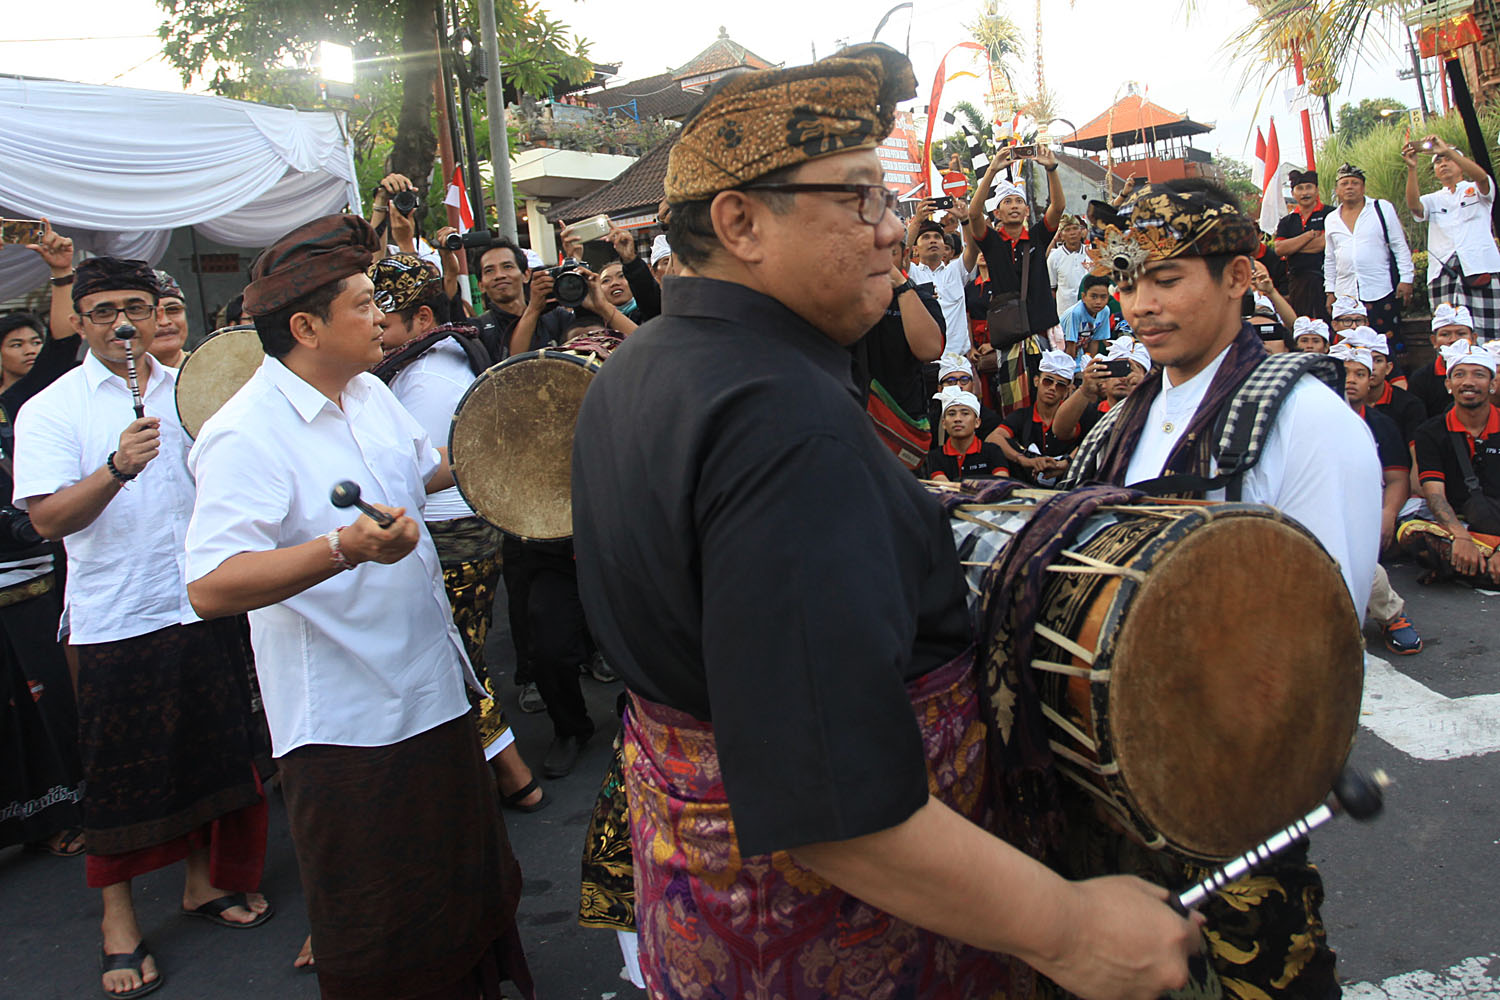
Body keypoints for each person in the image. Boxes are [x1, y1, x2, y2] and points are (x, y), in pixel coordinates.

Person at [572, 43, 1200, 1000]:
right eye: (859, 198)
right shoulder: (780, 418)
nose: (893, 231)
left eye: (891, 201)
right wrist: (1069, 929)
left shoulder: (641, 366)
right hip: (838, 939)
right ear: (740, 222)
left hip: (711, 913)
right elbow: (832, 801)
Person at [183, 215, 532, 1000]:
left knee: (461, 891)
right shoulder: (245, 432)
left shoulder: (369, 392)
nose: (382, 317)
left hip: (432, 692)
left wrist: (528, 436)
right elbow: (210, 584)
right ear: (305, 326)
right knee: (385, 927)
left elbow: (430, 470)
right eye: (365, 303)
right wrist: (342, 548)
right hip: (349, 726)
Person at [1063, 178, 1380, 999]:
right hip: (1110, 781)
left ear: (1239, 276)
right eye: (1128, 283)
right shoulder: (1115, 424)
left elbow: (1325, 632)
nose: (1140, 305)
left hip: (1234, 780)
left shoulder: (1307, 421)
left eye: (1166, 279)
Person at [13, 257, 271, 999]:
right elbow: (47, 519)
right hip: (116, 618)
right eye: (104, 311)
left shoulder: (196, 386)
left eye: (137, 306)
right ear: (81, 320)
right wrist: (115, 469)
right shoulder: (53, 409)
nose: (124, 323)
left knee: (211, 753)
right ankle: (117, 922)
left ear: (160, 310)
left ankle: (201, 883)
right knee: (121, 778)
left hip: (200, 603)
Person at [365, 253, 546, 812]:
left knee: (456, 660)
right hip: (460, 529)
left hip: (451, 533)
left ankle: (514, 776)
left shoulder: (427, 377)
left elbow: (444, 463)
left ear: (421, 320)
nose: (375, 326)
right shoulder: (436, 357)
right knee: (459, 656)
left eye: (384, 318)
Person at [1331, 343, 1424, 654]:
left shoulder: (1381, 424)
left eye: (1360, 373)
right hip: (1321, 507)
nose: (1351, 380)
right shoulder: (1312, 418)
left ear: (1371, 379)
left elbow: (1397, 477)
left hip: (1366, 511)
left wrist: (1387, 515)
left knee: (1357, 561)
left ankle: (1391, 616)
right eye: (1344, 372)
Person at [970, 142, 1066, 413]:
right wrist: (991, 171)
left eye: (1019, 202)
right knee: (1014, 407)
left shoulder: (1037, 236)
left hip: (1041, 336)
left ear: (1026, 211)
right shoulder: (991, 242)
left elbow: (1058, 207)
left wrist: (1051, 169)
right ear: (997, 213)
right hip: (1010, 339)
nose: (1014, 206)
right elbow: (974, 214)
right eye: (1007, 202)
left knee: (1048, 401)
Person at [1399, 340, 1500, 583]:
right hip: (1461, 524)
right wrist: (1460, 537)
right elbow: (1435, 495)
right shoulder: (1430, 432)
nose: (1468, 382)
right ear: (1448, 384)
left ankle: (1469, 567)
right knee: (1411, 534)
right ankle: (1477, 563)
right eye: (1459, 374)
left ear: (1493, 384)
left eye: (1479, 375)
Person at [1403, 134, 1500, 341]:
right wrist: (1412, 168)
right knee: (1448, 334)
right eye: (1438, 161)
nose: (1444, 163)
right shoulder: (1434, 199)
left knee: (1489, 335)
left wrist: (1446, 150)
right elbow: (1415, 207)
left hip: (1480, 267)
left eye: (1448, 159)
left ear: (1460, 164)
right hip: (1443, 272)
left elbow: (1483, 179)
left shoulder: (1476, 189)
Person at [1322, 162, 1414, 339]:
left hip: (1379, 288)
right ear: (1337, 190)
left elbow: (1399, 245)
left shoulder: (1381, 208)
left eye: (1354, 183)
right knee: (1349, 345)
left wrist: (1406, 279)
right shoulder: (1331, 219)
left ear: (1363, 188)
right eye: (1344, 183)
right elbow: (1330, 258)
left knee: (1385, 344)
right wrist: (1330, 291)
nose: (1349, 187)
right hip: (1345, 293)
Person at [991, 349, 1081, 483]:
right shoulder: (1022, 416)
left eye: (1060, 385)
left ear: (1067, 391)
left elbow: (1087, 442)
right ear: (1036, 381)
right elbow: (994, 437)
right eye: (1048, 381)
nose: (1053, 388)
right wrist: (1024, 460)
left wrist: (1066, 463)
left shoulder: (1076, 416)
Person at [906, 206, 977, 358]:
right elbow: (901, 252)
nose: (932, 240)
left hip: (958, 362)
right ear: (915, 249)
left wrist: (964, 220)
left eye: (937, 237)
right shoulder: (910, 273)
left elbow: (973, 248)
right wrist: (917, 220)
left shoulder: (956, 271)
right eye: (926, 237)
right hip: (925, 361)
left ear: (945, 247)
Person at [1347, 326, 1427, 440]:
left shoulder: (1410, 405)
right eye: (1363, 360)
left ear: (1388, 368)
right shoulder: (1337, 404)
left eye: (1377, 360)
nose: (1371, 367)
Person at [1273, 168, 1331, 320]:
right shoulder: (1287, 221)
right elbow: (1279, 249)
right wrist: (1308, 235)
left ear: (1316, 190)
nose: (1305, 193)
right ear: (1293, 193)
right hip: (1297, 282)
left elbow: (1322, 244)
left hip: (1326, 280)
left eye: (1309, 187)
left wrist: (1293, 247)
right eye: (1300, 188)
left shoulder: (1331, 214)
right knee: (1301, 325)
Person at [1409, 302, 1477, 418]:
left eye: (1461, 334)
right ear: (1434, 341)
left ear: (1473, 339)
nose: (1453, 340)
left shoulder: (1488, 374)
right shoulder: (1420, 380)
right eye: (1445, 334)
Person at [924, 386, 1009, 480]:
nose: (957, 419)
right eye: (952, 414)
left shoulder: (993, 451)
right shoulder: (935, 456)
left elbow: (1002, 484)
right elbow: (944, 487)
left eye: (965, 413)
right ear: (944, 423)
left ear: (977, 422)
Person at [1058, 274, 1132, 356]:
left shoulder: (1105, 311)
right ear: (1083, 297)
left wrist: (1091, 363)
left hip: (1078, 352)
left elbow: (1095, 341)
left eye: (1103, 297)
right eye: (1094, 296)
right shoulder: (1075, 313)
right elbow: (1070, 344)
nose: (1098, 302)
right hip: (1060, 353)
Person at [1047, 214, 1092, 317]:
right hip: (1066, 312)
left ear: (1081, 232)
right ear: (1061, 235)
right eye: (1067, 230)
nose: (1072, 233)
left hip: (1091, 311)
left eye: (1075, 228)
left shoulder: (1091, 253)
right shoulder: (1054, 257)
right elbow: (1052, 288)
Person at [148, 270, 190, 366]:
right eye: (152, 313)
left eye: (173, 309)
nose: (164, 322)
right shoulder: (114, 380)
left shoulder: (215, 370)